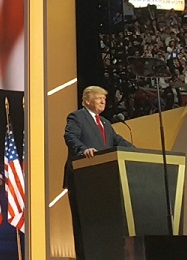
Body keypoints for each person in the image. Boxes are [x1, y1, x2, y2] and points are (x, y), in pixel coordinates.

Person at [63, 85, 135, 260]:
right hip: (83, 178)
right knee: (84, 227)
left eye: (104, 99)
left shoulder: (106, 123)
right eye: (99, 98)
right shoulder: (77, 117)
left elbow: (118, 141)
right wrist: (84, 150)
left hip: (103, 179)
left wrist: (136, 151)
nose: (103, 101)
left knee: (103, 225)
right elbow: (70, 137)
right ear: (87, 100)